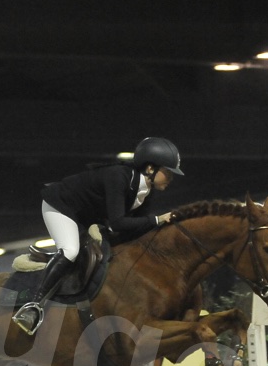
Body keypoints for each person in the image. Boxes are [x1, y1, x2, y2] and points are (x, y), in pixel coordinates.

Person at [13, 137, 183, 334]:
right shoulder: (118, 176)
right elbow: (118, 223)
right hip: (61, 207)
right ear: (150, 168)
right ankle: (33, 306)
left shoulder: (146, 192)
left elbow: (134, 229)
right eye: (168, 172)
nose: (171, 178)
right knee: (70, 251)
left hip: (86, 218)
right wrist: (157, 220)